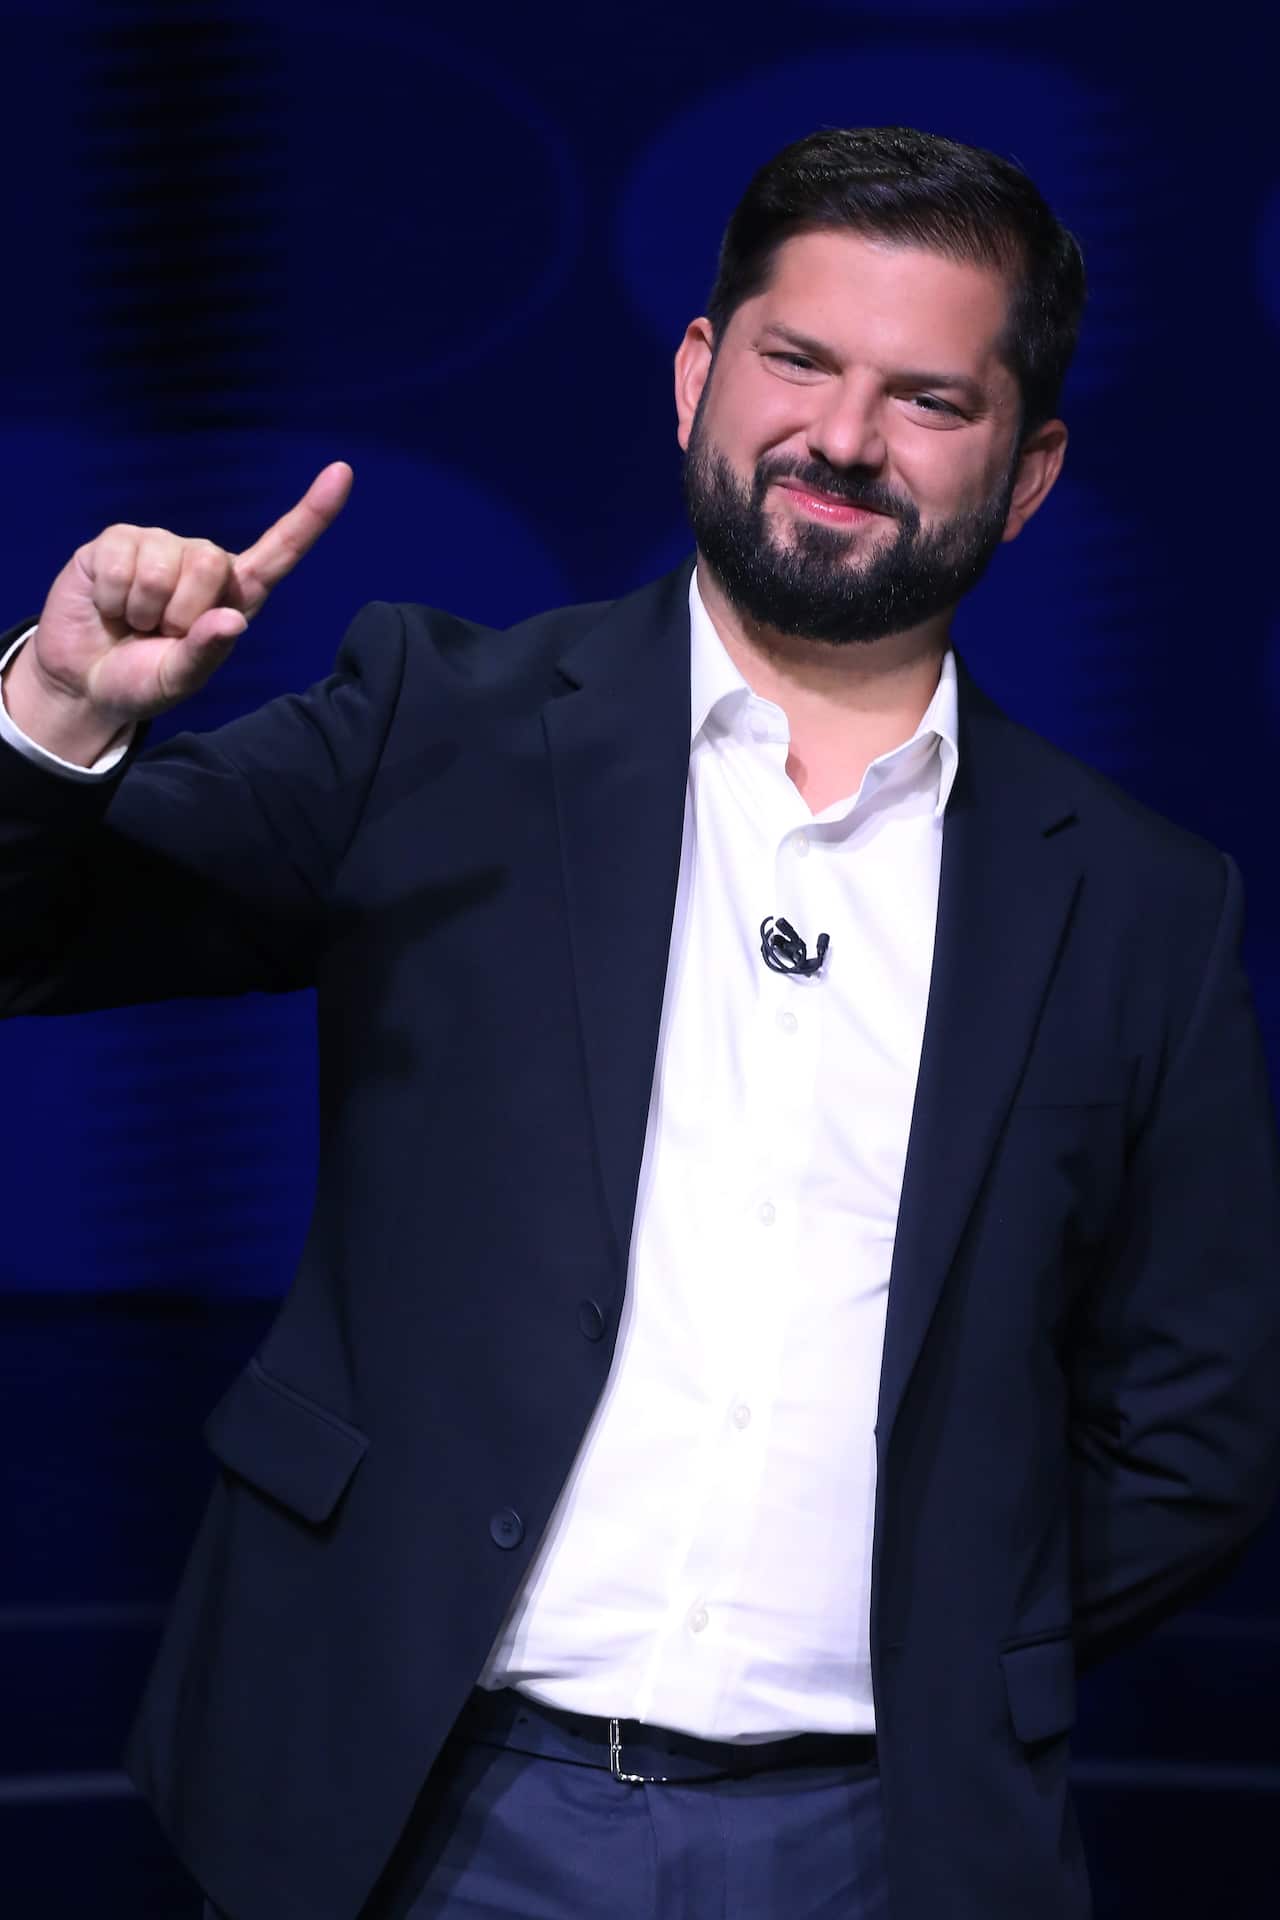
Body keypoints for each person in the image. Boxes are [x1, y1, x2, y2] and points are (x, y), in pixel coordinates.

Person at [2, 124, 1278, 1920]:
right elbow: (32, 934)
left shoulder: (1141, 902)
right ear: (697, 373)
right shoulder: (433, 725)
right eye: (798, 361)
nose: (844, 438)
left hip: (883, 1845)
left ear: (1031, 469)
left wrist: (949, 1623)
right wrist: (57, 710)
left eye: (928, 399)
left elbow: (1199, 1421)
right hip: (405, 1807)